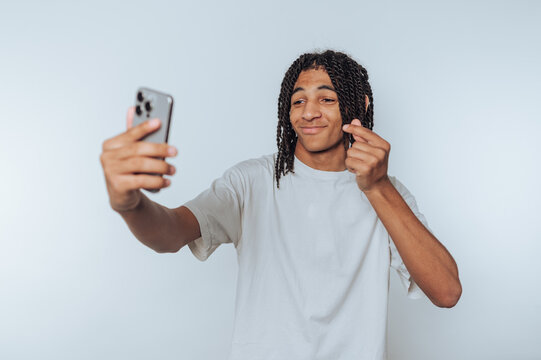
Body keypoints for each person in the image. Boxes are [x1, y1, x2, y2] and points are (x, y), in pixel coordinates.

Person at [100, 50, 462, 360]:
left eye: (327, 98)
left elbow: (446, 291)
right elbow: (170, 233)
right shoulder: (253, 180)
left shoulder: (388, 194)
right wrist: (130, 205)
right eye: (298, 100)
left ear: (359, 105)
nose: (308, 113)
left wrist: (378, 187)